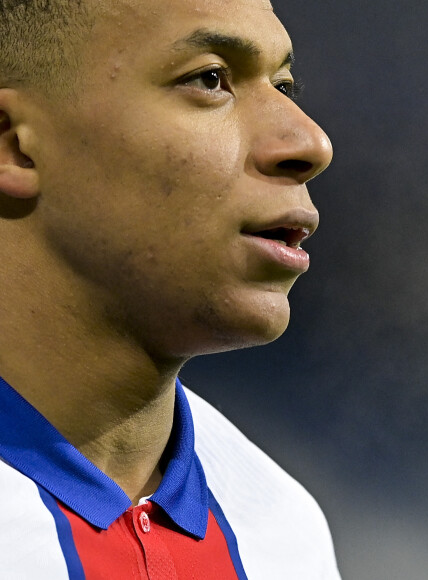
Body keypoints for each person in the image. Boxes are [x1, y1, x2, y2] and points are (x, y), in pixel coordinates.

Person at [0, 0, 339, 577]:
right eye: (211, 79)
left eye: (285, 85)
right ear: (14, 145)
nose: (311, 143)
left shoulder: (282, 532)